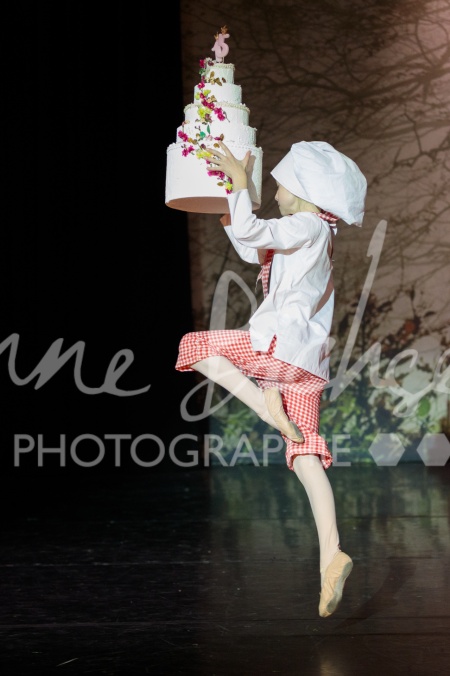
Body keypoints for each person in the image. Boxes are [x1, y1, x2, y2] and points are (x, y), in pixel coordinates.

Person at [175, 139, 367, 617]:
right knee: (304, 452)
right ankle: (331, 556)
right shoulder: (316, 232)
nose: (275, 191)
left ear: (301, 191)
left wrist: (241, 187)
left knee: (193, 346)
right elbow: (250, 243)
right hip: (305, 366)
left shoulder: (306, 224)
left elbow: (252, 228)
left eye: (280, 184)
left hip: (278, 350)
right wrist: (231, 200)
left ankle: (265, 407)